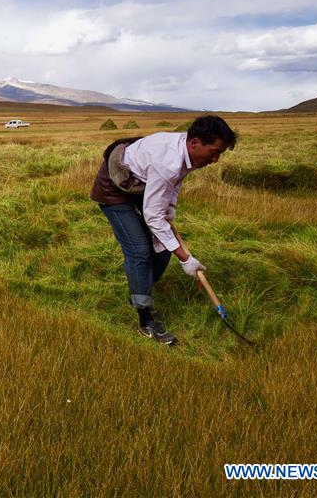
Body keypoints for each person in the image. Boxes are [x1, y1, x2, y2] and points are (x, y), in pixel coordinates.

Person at [90, 115, 237, 345]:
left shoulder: (186, 152)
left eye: (220, 154)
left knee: (162, 248)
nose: (216, 159)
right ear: (195, 143)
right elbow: (153, 215)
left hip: (140, 186)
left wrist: (169, 212)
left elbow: (172, 186)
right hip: (114, 189)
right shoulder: (168, 161)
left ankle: (138, 293)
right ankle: (145, 321)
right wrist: (185, 259)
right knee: (139, 251)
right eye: (215, 152)